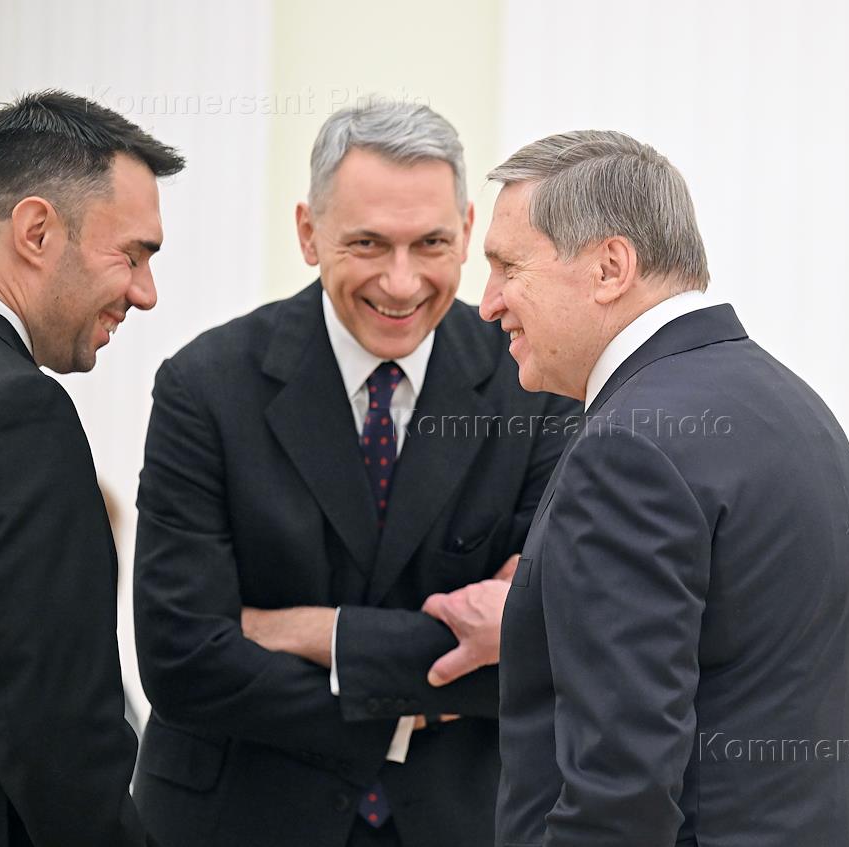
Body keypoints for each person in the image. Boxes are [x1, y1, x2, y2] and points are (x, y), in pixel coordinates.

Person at [131, 101, 577, 847]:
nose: (401, 284)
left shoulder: (537, 386)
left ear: (468, 230)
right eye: (368, 243)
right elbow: (183, 658)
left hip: (460, 822)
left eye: (431, 243)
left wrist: (314, 632)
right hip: (240, 820)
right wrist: (412, 699)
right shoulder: (205, 386)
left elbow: (547, 653)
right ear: (309, 232)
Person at [426, 130, 849, 846]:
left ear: (610, 267)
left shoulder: (629, 447)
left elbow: (619, 794)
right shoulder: (794, 406)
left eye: (508, 266)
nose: (487, 303)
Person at [0, 90, 184, 846]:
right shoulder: (16, 413)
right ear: (36, 231)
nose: (145, 294)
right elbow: (55, 735)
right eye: (132, 254)